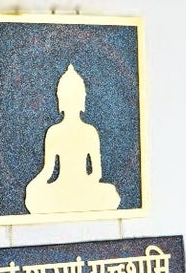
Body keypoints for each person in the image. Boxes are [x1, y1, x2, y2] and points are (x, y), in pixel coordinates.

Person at [23, 63, 121, 215]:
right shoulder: (54, 132)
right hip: (61, 187)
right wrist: (33, 186)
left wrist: (80, 187)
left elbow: (96, 174)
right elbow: (48, 170)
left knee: (109, 193)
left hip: (84, 188)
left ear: (82, 99)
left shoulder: (90, 132)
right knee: (35, 195)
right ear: (60, 100)